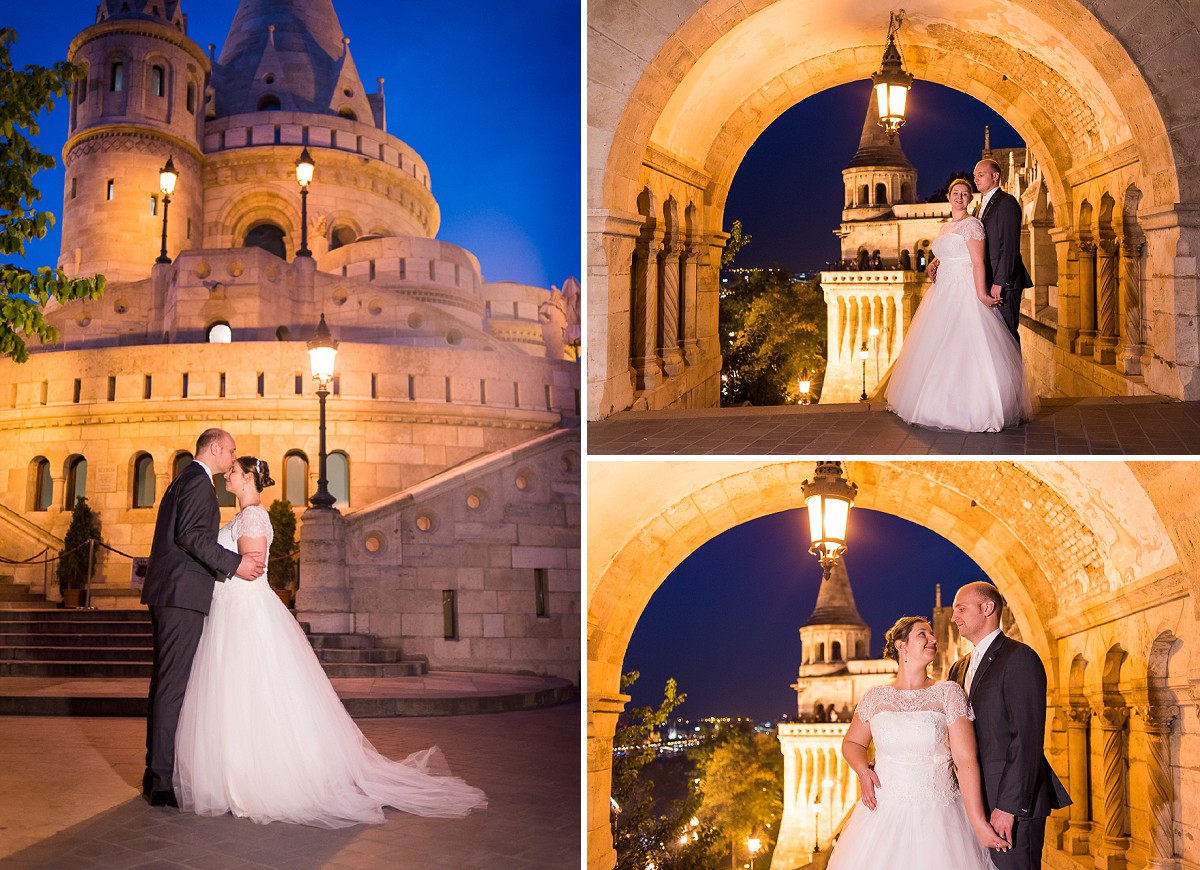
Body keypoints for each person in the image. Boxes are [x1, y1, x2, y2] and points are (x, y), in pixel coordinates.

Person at [173, 456, 487, 827]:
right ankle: (231, 775)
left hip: (243, 611)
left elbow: (250, 567)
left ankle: (258, 778)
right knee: (236, 693)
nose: (228, 475)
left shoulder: (254, 517)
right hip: (231, 609)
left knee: (250, 691)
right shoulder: (245, 515)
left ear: (248, 479)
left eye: (234, 472)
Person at [142, 428, 265, 807]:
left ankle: (155, 773)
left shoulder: (184, 479)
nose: (232, 458)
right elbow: (191, 537)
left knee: (166, 683)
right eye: (229, 451)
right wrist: (235, 564)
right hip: (181, 597)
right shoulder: (198, 482)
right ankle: (161, 783)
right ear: (214, 449)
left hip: (172, 594)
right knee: (173, 686)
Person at [827, 616, 1005, 870]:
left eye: (932, 635)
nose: (933, 639)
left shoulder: (949, 693)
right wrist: (863, 771)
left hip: (941, 818)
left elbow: (966, 761)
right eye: (923, 634)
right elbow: (852, 743)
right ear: (902, 646)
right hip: (882, 816)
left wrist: (978, 822)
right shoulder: (875, 696)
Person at [884, 179, 1033, 431]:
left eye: (965, 194)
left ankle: (973, 409)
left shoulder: (973, 224)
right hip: (942, 292)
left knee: (965, 347)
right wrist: (934, 262)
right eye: (956, 193)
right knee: (937, 347)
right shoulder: (944, 227)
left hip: (964, 290)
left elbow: (977, 263)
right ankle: (932, 404)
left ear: (970, 199)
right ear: (948, 196)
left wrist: (982, 294)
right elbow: (945, 252)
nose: (960, 197)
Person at [949, 583, 1071, 870]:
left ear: (987, 608)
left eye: (961, 609)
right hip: (970, 804)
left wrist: (1008, 807)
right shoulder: (959, 667)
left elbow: (1026, 740)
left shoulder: (1019, 658)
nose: (954, 617)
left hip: (1010, 808)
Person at [973, 158, 1033, 344]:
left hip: (1004, 285)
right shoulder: (979, 208)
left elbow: (1009, 246)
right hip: (988, 282)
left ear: (996, 176)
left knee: (1006, 337)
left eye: (981, 175)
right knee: (992, 340)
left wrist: (1000, 282)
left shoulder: (1006, 202)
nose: (976, 179)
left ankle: (1014, 374)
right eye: (975, 176)